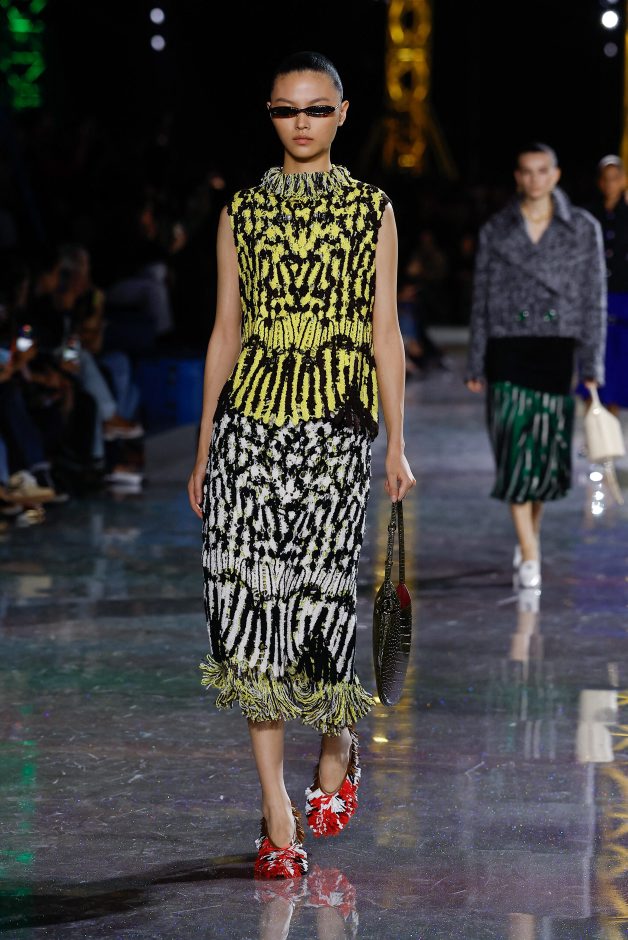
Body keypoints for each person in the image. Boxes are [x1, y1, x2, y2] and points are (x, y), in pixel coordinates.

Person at [187, 51, 415, 878]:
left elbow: (385, 332)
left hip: (333, 430)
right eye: (287, 110)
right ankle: (277, 813)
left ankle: (338, 737)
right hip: (249, 430)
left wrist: (396, 441)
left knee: (318, 606)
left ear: (343, 113)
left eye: (317, 109)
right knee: (249, 613)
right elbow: (226, 330)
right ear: (271, 115)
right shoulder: (242, 212)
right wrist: (205, 442)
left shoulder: (370, 210)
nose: (302, 123)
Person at [466, 143, 606, 590]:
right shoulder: (496, 229)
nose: (535, 179)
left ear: (556, 175)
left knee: (542, 456)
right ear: (517, 176)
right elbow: (481, 298)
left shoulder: (581, 228)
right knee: (513, 451)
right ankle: (529, 551)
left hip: (556, 349)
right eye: (527, 171)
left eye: (543, 170)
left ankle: (531, 537)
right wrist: (476, 360)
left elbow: (593, 299)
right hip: (507, 347)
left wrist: (592, 361)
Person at [588, 155, 628, 414]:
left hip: (624, 297)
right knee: (596, 362)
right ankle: (596, 424)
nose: (611, 183)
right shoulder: (591, 215)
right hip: (597, 295)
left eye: (616, 178)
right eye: (606, 179)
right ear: (600, 182)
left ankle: (611, 422)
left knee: (619, 362)